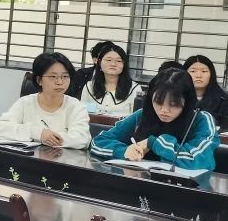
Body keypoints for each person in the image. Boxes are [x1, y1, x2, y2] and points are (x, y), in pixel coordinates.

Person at [91, 68, 219, 171]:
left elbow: (200, 160)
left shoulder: (201, 120)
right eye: (158, 102)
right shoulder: (143, 115)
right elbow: (98, 142)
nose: (164, 110)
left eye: (173, 104)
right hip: (140, 182)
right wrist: (124, 151)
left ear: (187, 102)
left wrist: (153, 143)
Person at [0, 52, 91, 149]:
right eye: (53, 77)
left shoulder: (76, 107)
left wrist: (49, 138)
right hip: (28, 157)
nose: (60, 82)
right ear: (39, 80)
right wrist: (38, 133)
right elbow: (0, 128)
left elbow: (82, 139)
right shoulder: (25, 103)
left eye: (65, 76)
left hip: (63, 158)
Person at [80, 42, 141, 115]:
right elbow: (83, 114)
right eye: (109, 60)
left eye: (119, 61)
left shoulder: (134, 89)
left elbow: (137, 118)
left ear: (124, 65)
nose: (113, 64)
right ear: (99, 62)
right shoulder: (89, 87)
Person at [184, 54, 228, 131]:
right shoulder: (176, 98)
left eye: (204, 71)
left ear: (211, 74)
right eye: (193, 71)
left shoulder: (225, 101)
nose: (199, 75)